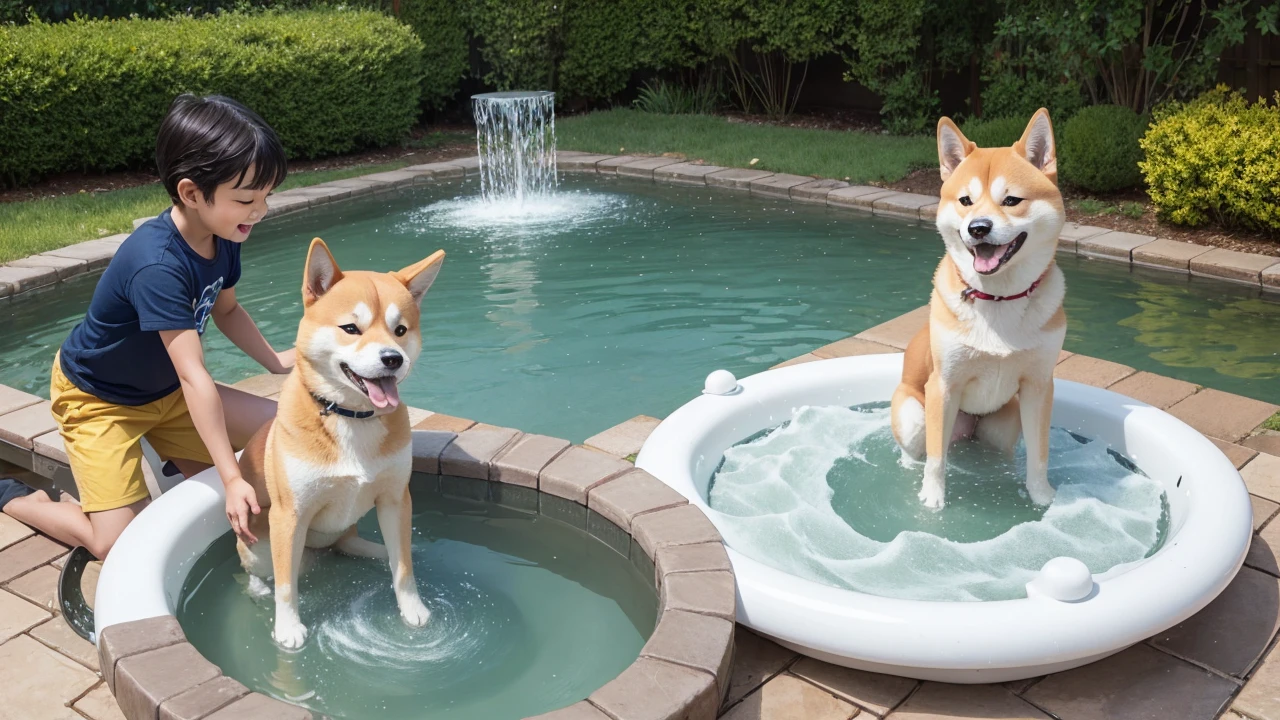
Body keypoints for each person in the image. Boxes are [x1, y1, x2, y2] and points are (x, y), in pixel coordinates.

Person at [0, 94, 293, 559]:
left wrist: (277, 362)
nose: (260, 210)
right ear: (192, 193)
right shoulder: (156, 264)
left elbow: (228, 310)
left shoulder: (224, 235)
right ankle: (17, 498)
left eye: (266, 196)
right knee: (114, 543)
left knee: (288, 430)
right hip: (100, 399)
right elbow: (194, 376)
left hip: (166, 396)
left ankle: (172, 456)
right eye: (246, 199)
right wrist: (233, 477)